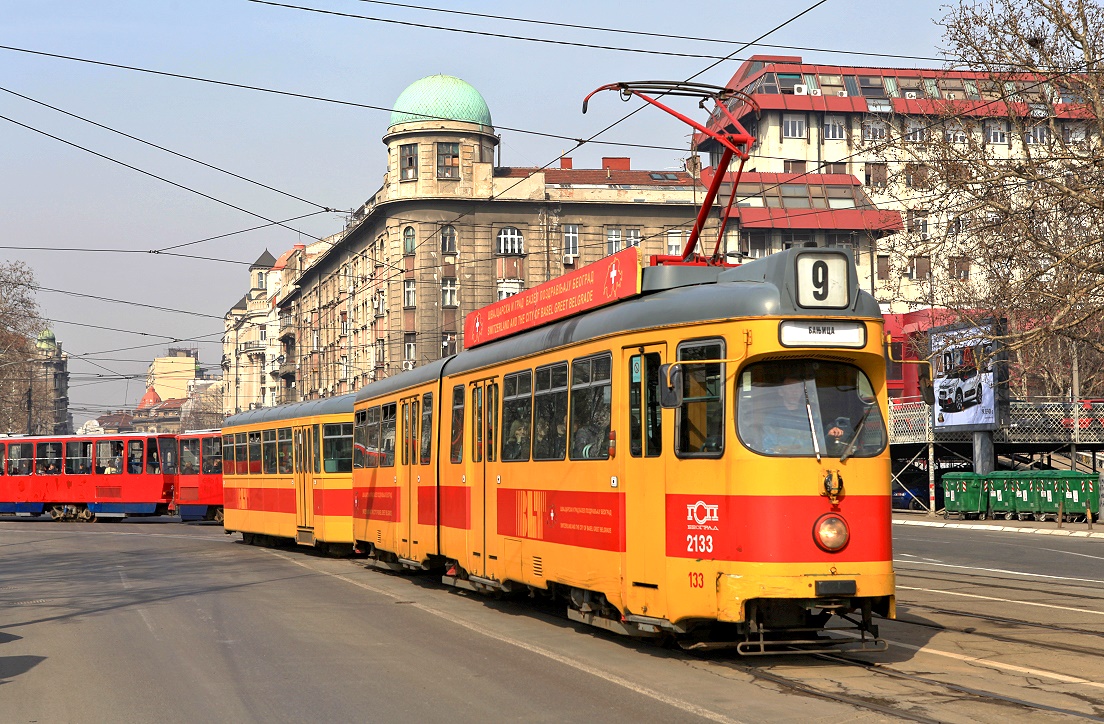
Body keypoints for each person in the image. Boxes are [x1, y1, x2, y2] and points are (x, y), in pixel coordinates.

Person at [759, 376, 846, 455]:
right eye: (790, 387)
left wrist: (831, 436)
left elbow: (821, 447)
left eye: (798, 387)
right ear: (781, 392)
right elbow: (768, 449)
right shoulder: (774, 417)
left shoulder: (812, 415)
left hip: (812, 462)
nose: (795, 391)